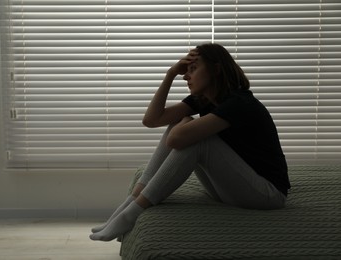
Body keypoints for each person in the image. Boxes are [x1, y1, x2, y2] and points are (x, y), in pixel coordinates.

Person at [90, 42, 291, 242]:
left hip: (267, 195)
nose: (186, 76)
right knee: (179, 125)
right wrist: (170, 74)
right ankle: (129, 204)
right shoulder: (204, 100)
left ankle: (131, 214)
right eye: (185, 71)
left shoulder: (239, 103)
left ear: (217, 69)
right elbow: (151, 120)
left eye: (193, 69)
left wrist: (185, 122)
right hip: (236, 189)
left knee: (198, 140)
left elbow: (176, 140)